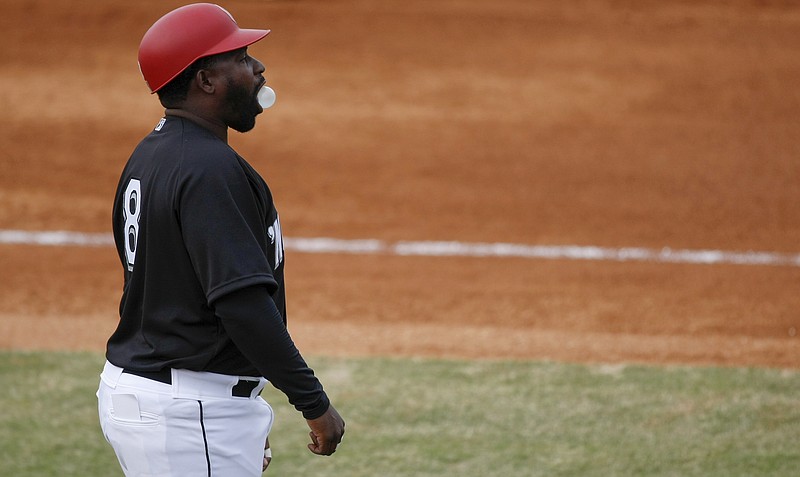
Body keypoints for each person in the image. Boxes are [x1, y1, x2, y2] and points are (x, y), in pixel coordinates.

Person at [96, 4, 345, 476]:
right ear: (206, 80)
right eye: (242, 56)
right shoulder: (210, 170)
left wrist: (240, 402)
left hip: (174, 397)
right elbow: (241, 304)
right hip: (189, 409)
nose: (258, 68)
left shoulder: (152, 155)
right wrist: (313, 403)